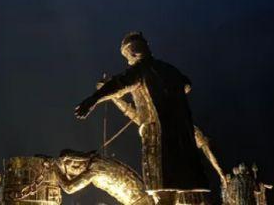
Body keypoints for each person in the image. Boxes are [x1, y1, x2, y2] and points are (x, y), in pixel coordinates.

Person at [74, 32, 208, 199]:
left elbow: (118, 84)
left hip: (156, 135)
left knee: (160, 190)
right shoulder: (170, 70)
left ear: (132, 53)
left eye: (127, 58)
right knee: (174, 187)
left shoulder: (140, 70)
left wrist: (92, 100)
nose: (128, 62)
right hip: (182, 137)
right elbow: (187, 85)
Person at [50, 149, 154, 205]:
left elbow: (69, 188)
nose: (75, 171)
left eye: (72, 166)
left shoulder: (95, 168)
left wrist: (54, 167)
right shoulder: (99, 162)